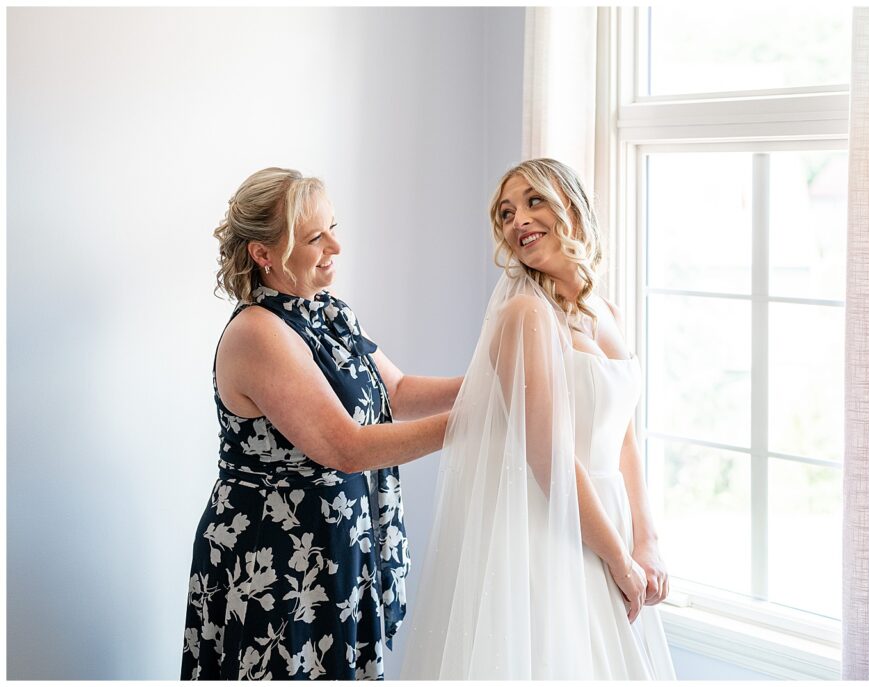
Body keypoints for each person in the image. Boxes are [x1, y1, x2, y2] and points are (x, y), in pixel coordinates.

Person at [180, 167, 461, 680]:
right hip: (277, 562)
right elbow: (346, 447)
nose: (335, 244)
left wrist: (494, 387)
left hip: (333, 547)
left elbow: (397, 392)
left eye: (334, 226)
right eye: (315, 236)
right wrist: (476, 427)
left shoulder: (328, 312)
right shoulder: (258, 333)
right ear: (264, 255)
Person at [400, 158, 675, 679]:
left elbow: (625, 441)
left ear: (569, 204)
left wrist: (647, 539)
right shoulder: (525, 315)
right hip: (551, 526)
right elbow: (549, 457)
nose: (517, 220)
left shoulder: (608, 313)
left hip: (608, 518)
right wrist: (618, 558)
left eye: (533, 201)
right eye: (506, 213)